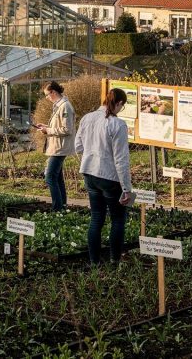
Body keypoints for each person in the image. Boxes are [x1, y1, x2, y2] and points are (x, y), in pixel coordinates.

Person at [74, 87, 133, 264]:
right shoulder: (118, 124)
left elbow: (78, 146)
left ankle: (94, 261)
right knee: (117, 219)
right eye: (122, 107)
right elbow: (121, 159)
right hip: (109, 177)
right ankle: (115, 260)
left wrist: (88, 159)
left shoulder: (87, 118)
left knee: (96, 217)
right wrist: (126, 188)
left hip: (89, 173)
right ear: (119, 103)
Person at [35, 81, 76, 211]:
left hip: (60, 148)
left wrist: (48, 131)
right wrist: (46, 127)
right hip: (56, 146)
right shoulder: (59, 105)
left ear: (53, 92)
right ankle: (62, 206)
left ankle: (57, 209)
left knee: (50, 177)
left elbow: (67, 129)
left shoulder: (65, 107)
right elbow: (59, 126)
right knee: (57, 178)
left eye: (47, 95)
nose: (47, 98)